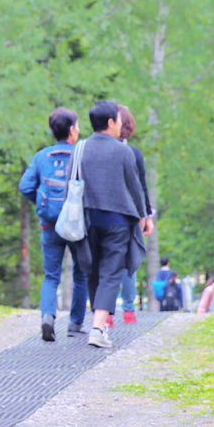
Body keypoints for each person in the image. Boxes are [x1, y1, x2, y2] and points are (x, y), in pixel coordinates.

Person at [81, 100, 149, 348]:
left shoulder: (81, 149)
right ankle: (98, 327)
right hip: (118, 220)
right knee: (111, 273)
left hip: (88, 220)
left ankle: (97, 322)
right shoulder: (123, 151)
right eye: (118, 120)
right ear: (110, 122)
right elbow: (134, 187)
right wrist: (143, 216)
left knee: (93, 271)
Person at [18, 107, 90, 341]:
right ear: (71, 130)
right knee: (80, 274)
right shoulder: (81, 154)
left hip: (49, 224)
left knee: (51, 276)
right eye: (77, 125)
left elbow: (25, 186)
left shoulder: (42, 157)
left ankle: (47, 317)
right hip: (76, 224)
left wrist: (41, 204)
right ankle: (76, 323)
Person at [115, 105, 155, 323]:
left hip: (107, 212)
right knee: (129, 261)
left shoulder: (100, 151)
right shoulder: (133, 152)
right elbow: (141, 186)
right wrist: (146, 215)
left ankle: (107, 311)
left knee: (108, 262)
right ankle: (129, 310)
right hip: (131, 213)